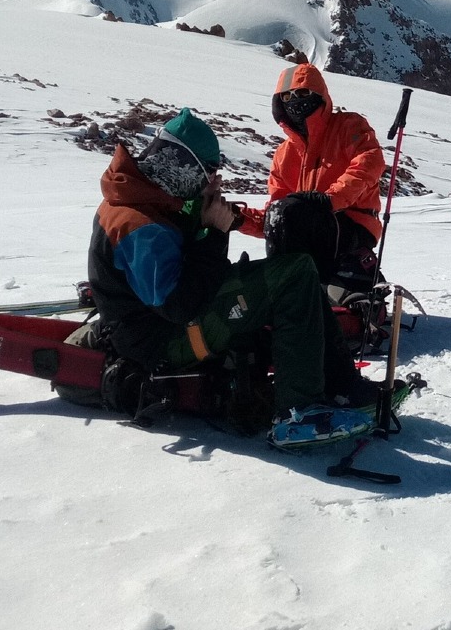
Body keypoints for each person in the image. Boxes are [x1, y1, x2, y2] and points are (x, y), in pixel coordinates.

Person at [86, 108, 349, 417]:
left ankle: (341, 383)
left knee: (294, 272)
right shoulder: (140, 228)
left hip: (152, 327)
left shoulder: (137, 193)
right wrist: (213, 232)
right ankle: (299, 412)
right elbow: (181, 305)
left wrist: (205, 216)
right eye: (207, 171)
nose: (210, 180)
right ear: (181, 165)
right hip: (163, 342)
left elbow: (179, 247)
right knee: (294, 274)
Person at [239, 62, 387, 275]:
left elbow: (369, 161)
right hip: (309, 224)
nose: (295, 102)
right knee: (283, 214)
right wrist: (239, 218)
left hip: (353, 221)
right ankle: (288, 289)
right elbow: (276, 215)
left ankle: (291, 288)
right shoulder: (284, 153)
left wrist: (331, 199)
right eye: (287, 97)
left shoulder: (348, 125)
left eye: (303, 93)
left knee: (291, 214)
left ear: (320, 95)